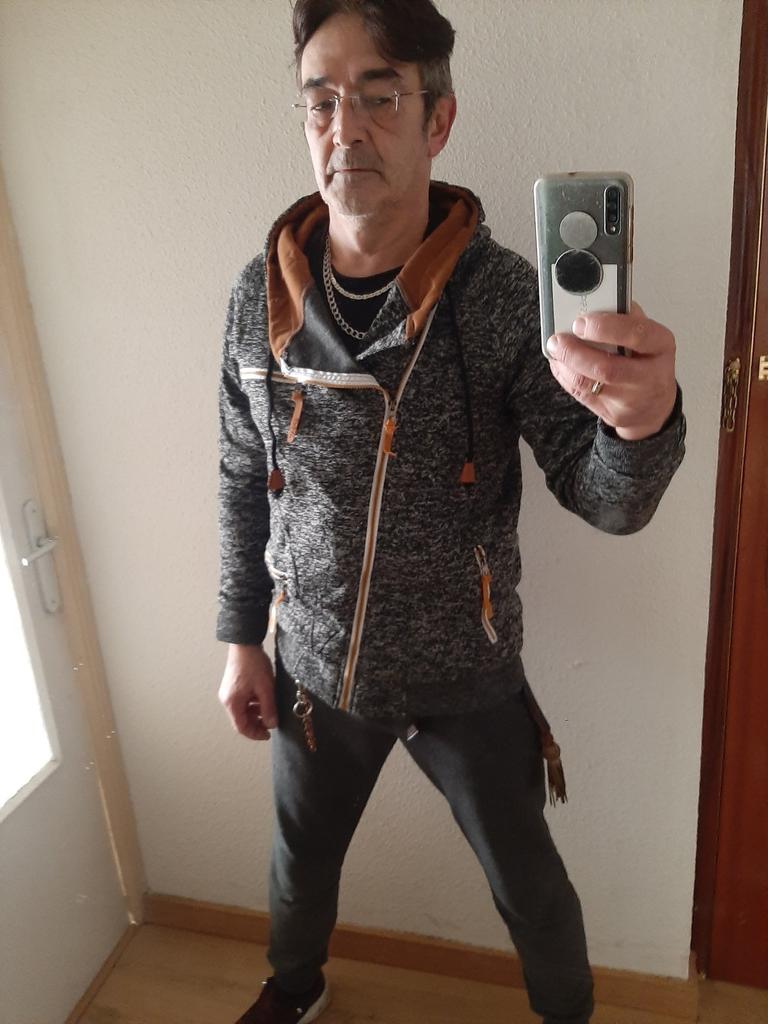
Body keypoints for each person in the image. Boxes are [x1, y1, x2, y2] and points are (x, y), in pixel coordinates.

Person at [216, 2, 686, 1022]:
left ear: (438, 119)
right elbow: (241, 473)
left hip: (466, 672)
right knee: (299, 864)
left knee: (531, 886)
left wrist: (641, 426)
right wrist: (241, 637)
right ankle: (294, 988)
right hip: (313, 663)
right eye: (321, 101)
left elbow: (604, 501)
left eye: (379, 97)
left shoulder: (505, 298)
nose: (346, 129)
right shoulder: (260, 295)